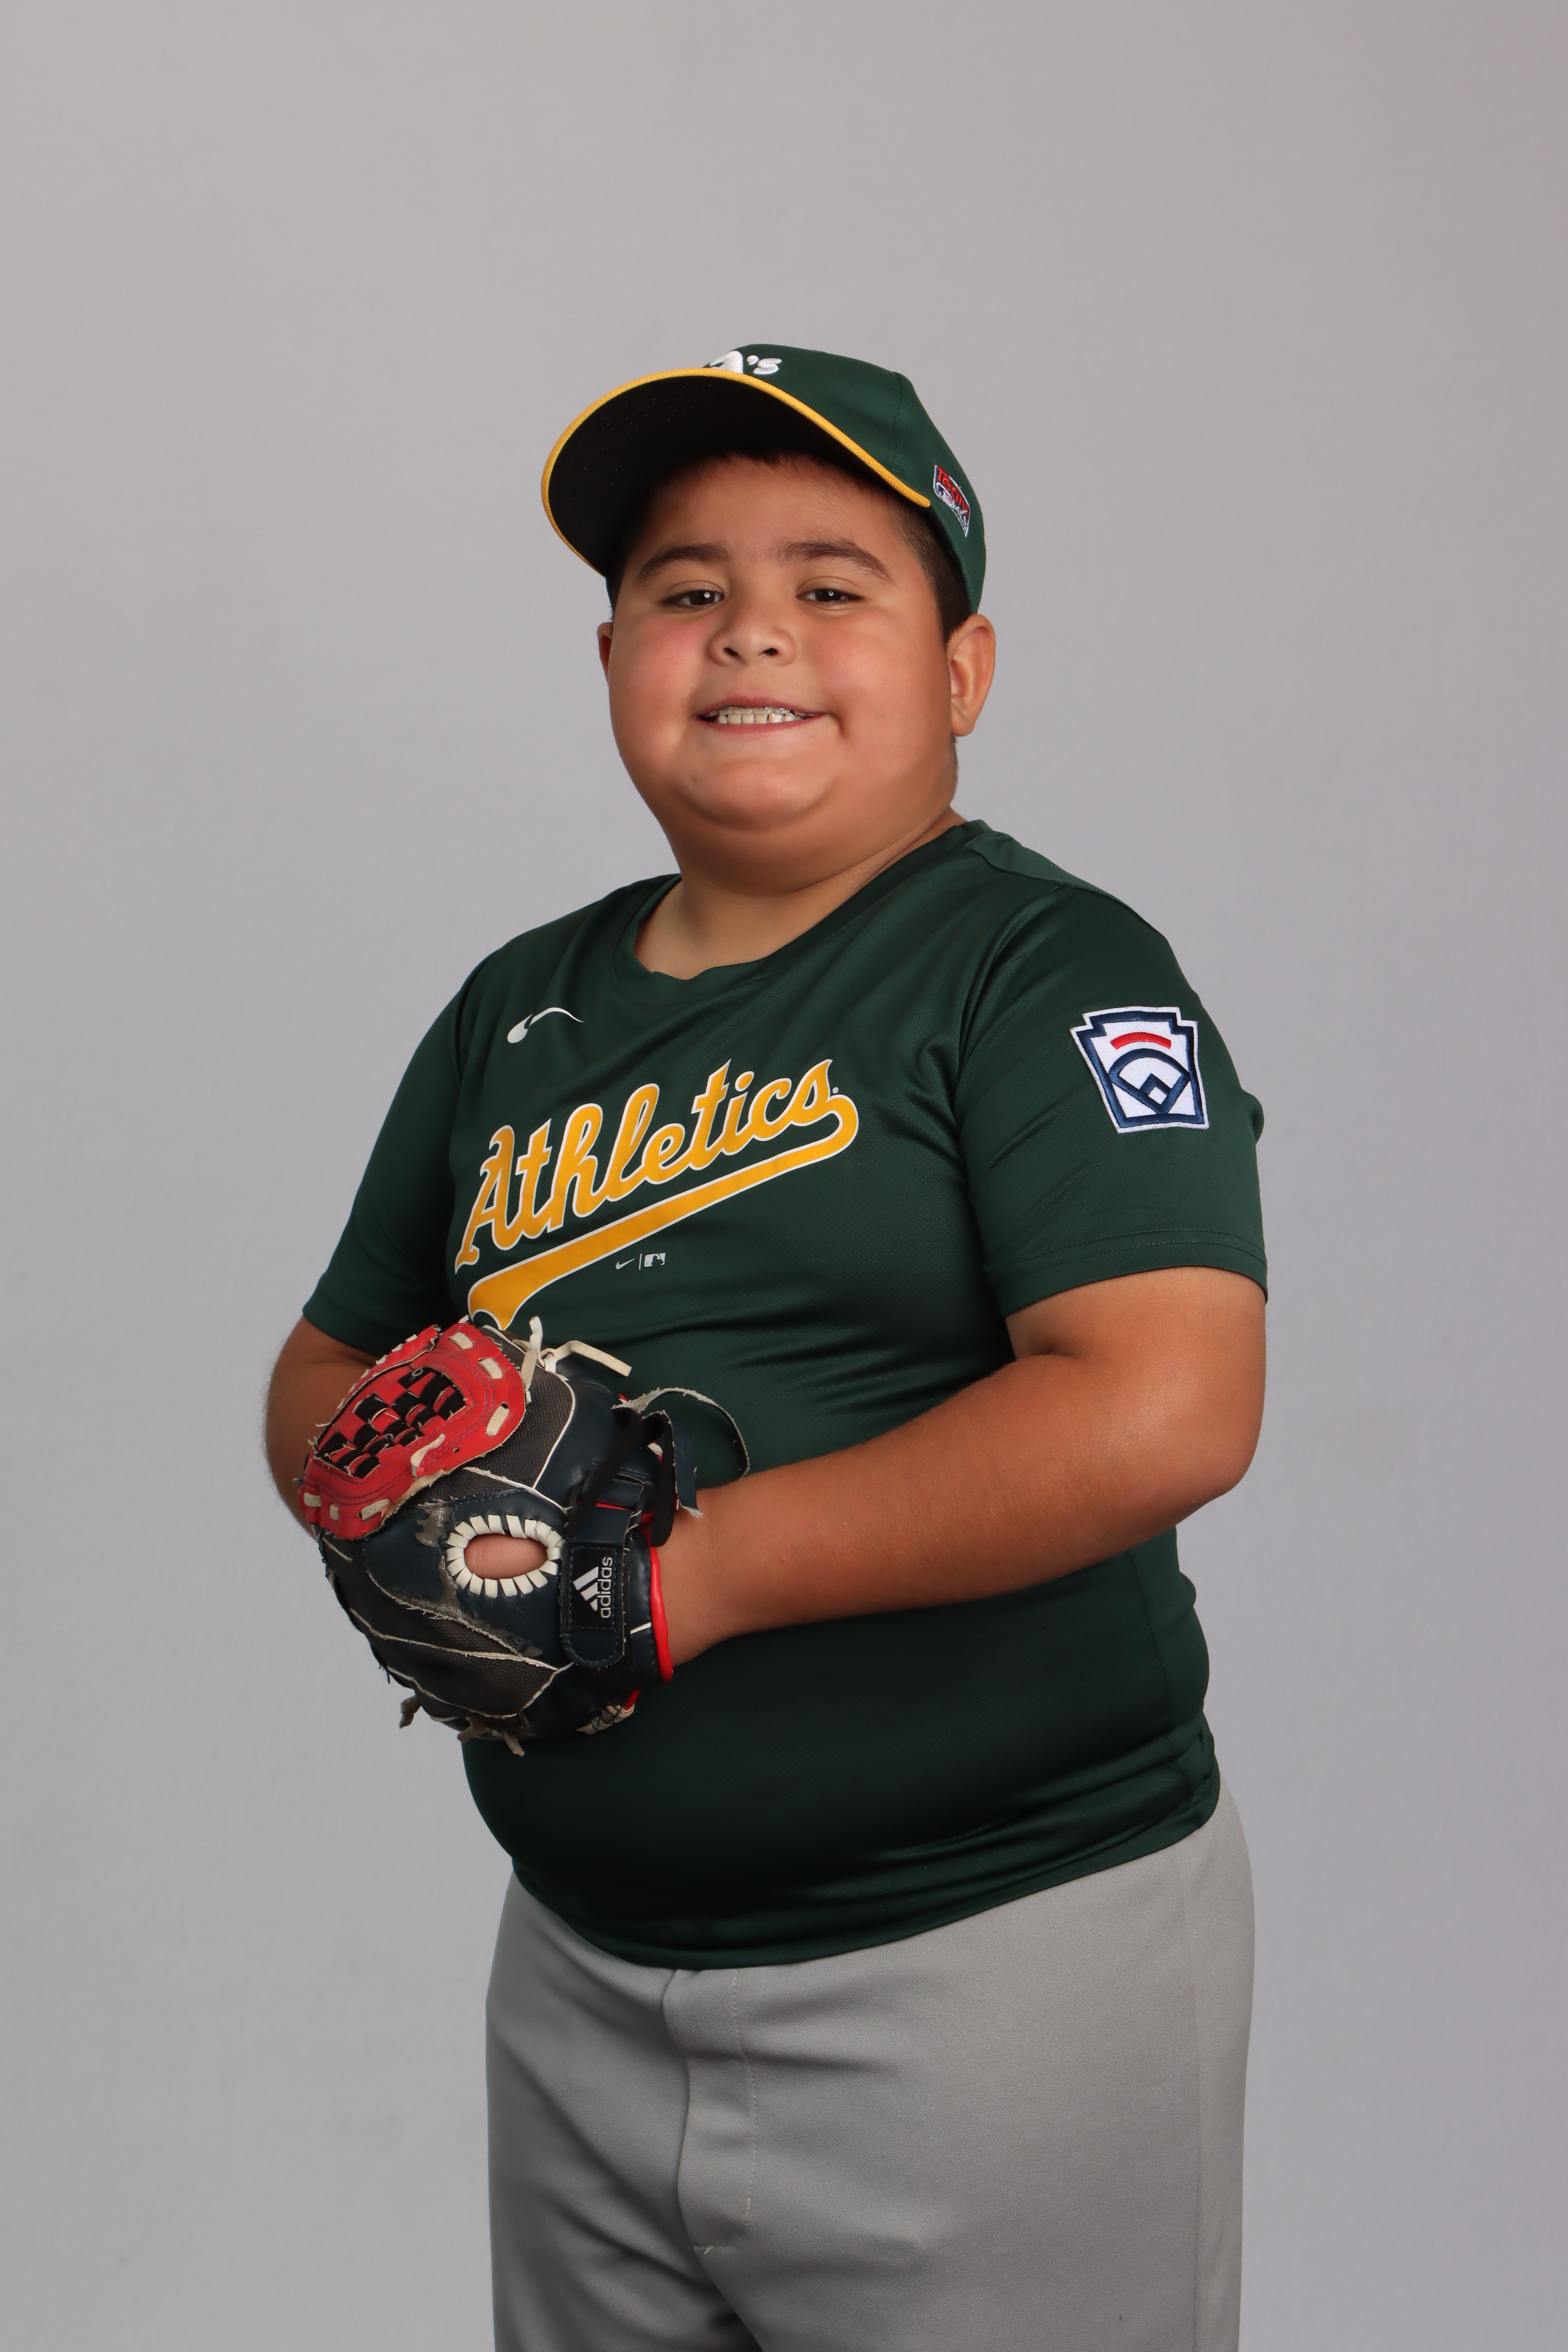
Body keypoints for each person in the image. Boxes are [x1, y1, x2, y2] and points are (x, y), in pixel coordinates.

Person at [266, 343, 1268, 2352]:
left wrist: (687, 1574)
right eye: (683, 587)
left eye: (831, 584)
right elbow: (323, 1374)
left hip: (991, 1956)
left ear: (962, 672)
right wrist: (408, 1497)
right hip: (579, 1961)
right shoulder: (515, 1009)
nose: (750, 630)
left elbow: (1165, 1403)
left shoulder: (1037, 968)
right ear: (613, 659)